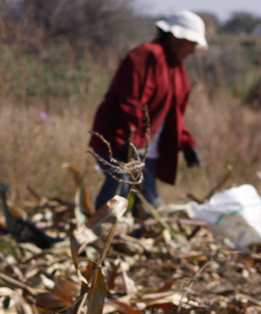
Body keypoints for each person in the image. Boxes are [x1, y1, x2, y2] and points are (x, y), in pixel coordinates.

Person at [88, 10, 207, 213]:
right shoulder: (146, 56)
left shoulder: (176, 69)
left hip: (144, 149)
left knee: (148, 202)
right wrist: (129, 140)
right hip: (116, 139)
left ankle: (129, 236)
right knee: (120, 182)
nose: (193, 50)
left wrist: (186, 143)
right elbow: (131, 101)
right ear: (177, 38)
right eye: (192, 44)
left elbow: (175, 113)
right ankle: (97, 233)